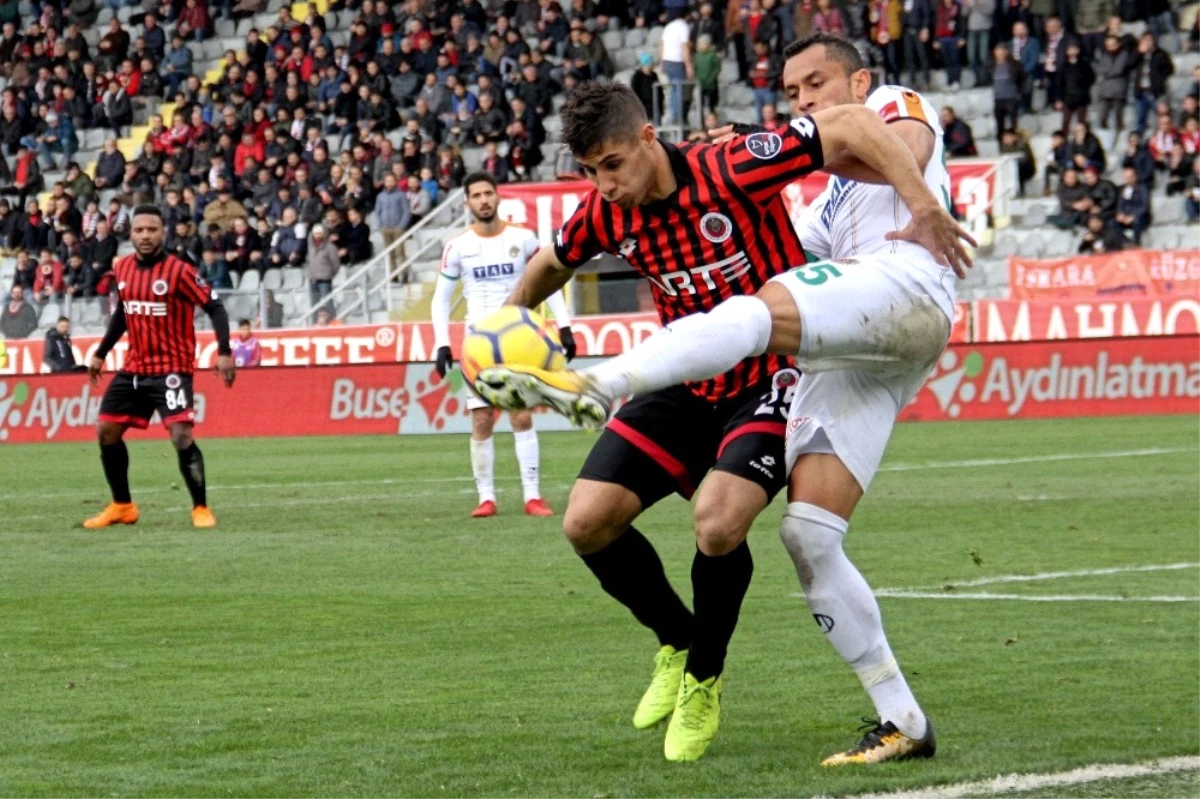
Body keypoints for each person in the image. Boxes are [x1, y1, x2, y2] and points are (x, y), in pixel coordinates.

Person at [477, 64, 968, 762]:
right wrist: (501, 325)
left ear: (649, 138)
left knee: (717, 521)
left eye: (614, 164)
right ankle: (677, 642)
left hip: (767, 380)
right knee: (585, 522)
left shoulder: (731, 163)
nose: (606, 184)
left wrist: (922, 205)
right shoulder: (605, 211)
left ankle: (705, 675)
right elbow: (552, 261)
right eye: (591, 171)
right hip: (686, 382)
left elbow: (863, 127)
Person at [83, 206, 236, 530]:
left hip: (171, 369)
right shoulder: (122, 267)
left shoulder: (179, 271)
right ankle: (122, 506)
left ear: (162, 232)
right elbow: (123, 313)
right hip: (134, 368)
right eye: (139, 230)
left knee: (181, 435)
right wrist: (101, 353)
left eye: (152, 230)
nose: (145, 236)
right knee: (106, 431)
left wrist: (224, 351)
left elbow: (214, 306)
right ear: (131, 233)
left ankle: (200, 508)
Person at [433, 172, 575, 519]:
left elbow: (548, 280)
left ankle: (533, 497)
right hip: (478, 344)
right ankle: (486, 498)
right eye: (476, 195)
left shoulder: (523, 239)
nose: (483, 200)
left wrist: (565, 326)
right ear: (467, 202)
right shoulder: (457, 246)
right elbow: (441, 299)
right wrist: (441, 344)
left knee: (521, 414)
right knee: (482, 419)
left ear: (497, 197)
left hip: (517, 340)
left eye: (488, 193)